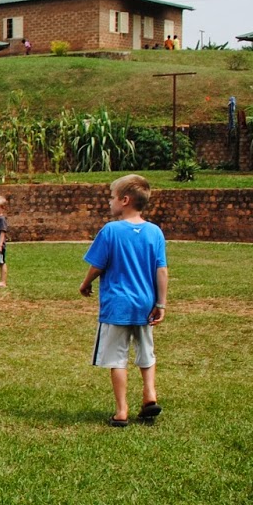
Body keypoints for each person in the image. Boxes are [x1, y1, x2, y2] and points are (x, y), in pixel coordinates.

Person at [79, 174, 168, 427]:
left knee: (117, 358)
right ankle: (150, 394)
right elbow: (161, 270)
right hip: (145, 305)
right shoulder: (155, 232)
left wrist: (86, 283)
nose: (110, 202)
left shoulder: (111, 231)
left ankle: (121, 411)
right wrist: (161, 304)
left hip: (117, 305)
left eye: (112, 197)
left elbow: (98, 265)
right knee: (146, 352)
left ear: (125, 200)